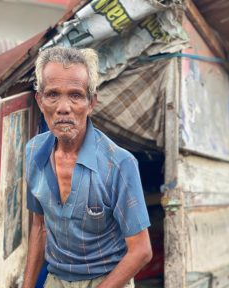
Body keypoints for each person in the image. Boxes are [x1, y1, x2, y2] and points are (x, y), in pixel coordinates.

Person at [22, 46, 152, 288]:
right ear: (40, 101)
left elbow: (142, 250)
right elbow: (39, 227)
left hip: (109, 280)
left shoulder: (119, 164)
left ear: (91, 103)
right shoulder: (33, 153)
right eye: (52, 95)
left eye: (75, 95)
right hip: (56, 279)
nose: (63, 107)